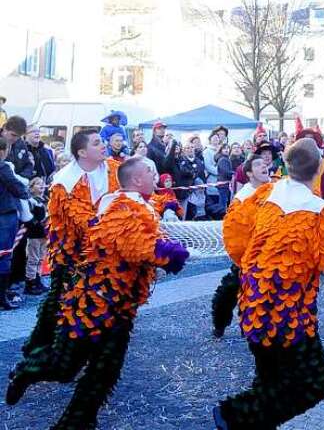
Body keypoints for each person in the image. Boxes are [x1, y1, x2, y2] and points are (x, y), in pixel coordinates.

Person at [6, 156, 189, 424]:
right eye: (150, 172)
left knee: (105, 371)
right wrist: (174, 254)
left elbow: (151, 226)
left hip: (122, 307)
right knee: (64, 367)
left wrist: (170, 211)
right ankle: (26, 371)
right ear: (137, 180)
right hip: (93, 305)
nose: (156, 176)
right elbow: (137, 246)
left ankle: (76, 421)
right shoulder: (121, 207)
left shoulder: (138, 203)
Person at [213, 138, 324, 430]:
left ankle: (249, 422)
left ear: (285, 165)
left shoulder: (265, 193)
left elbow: (235, 238)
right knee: (314, 383)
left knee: (270, 381)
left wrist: (255, 263)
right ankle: (233, 414)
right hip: (289, 318)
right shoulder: (319, 210)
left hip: (252, 304)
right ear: (321, 168)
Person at [17, 128, 120, 357]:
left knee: (101, 297)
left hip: (103, 249)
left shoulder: (114, 169)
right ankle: (42, 344)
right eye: (96, 143)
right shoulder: (64, 182)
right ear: (82, 152)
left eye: (102, 141)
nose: (103, 145)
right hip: (71, 253)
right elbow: (81, 223)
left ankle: (88, 343)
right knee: (59, 301)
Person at [212, 152, 273, 338]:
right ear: (249, 173)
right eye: (258, 165)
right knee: (231, 289)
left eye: (265, 164)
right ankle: (220, 323)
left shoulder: (274, 190)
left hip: (269, 251)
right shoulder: (243, 197)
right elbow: (234, 230)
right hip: (246, 254)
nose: (264, 166)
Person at [0, 138, 29, 310]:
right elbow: (18, 188)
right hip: (4, 214)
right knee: (4, 256)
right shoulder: (2, 167)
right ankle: (2, 298)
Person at [24, 177, 48, 297]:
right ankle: (30, 281)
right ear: (32, 188)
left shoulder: (45, 200)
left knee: (40, 258)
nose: (42, 187)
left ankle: (38, 279)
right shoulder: (31, 201)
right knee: (33, 258)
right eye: (38, 185)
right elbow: (29, 218)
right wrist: (36, 223)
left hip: (44, 233)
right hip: (34, 234)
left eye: (43, 185)